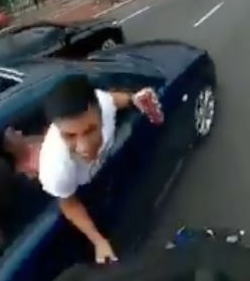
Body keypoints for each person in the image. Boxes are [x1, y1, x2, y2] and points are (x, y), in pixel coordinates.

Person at [30, 76, 163, 264]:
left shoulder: (103, 103)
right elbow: (69, 204)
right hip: (87, 192)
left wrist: (133, 99)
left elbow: (113, 100)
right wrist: (99, 241)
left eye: (90, 130)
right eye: (70, 136)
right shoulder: (56, 169)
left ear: (101, 114)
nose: (83, 147)